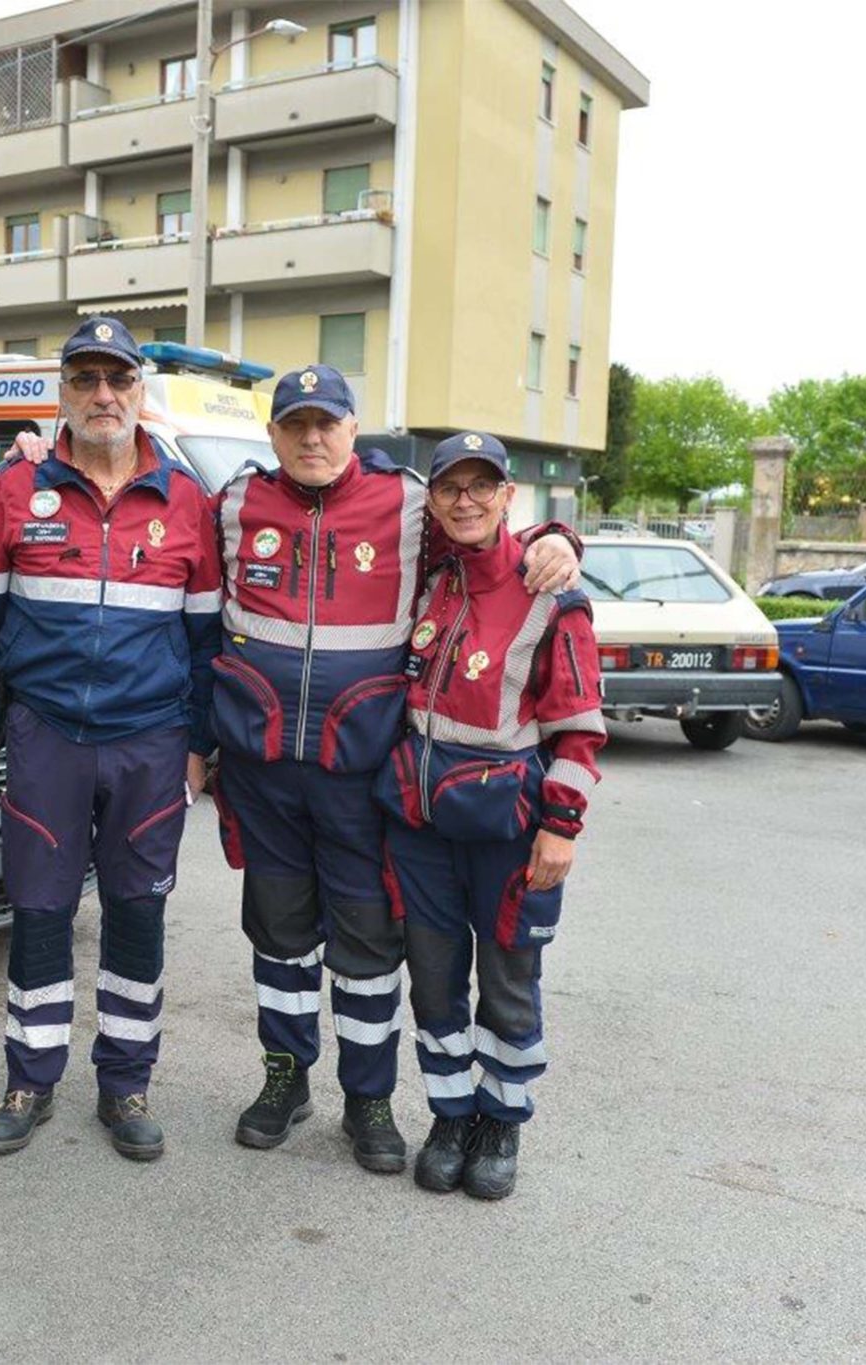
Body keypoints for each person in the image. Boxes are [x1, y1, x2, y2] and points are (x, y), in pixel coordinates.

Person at [207, 369, 582, 1172]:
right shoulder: (235, 502)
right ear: (272, 435)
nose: (312, 438)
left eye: (327, 423)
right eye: (295, 424)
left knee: (368, 949)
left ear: (354, 429)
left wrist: (559, 538)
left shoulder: (410, 503)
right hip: (262, 774)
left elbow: (484, 532)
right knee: (278, 942)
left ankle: (368, 1099)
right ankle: (284, 1079)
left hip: (361, 775)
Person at [0, 315, 219, 1163]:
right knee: (39, 909)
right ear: (62, 392)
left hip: (150, 742)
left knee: (136, 912)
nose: (104, 394)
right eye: (86, 379)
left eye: (118, 378)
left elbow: (206, 643)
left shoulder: (186, 501)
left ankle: (126, 1083)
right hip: (47, 737)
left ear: (139, 390)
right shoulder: (16, 491)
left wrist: (201, 746)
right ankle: (30, 1079)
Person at [375, 431, 605, 1202]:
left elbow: (579, 729)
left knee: (508, 981)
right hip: (420, 823)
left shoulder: (553, 596)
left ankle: (501, 1121)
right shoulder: (431, 576)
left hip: (508, 827)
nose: (465, 500)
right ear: (434, 500)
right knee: (435, 979)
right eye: (451, 487)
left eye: (483, 486)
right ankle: (450, 1116)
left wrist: (561, 826)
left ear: (509, 496)